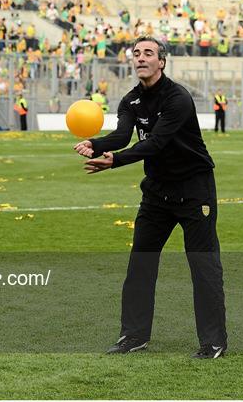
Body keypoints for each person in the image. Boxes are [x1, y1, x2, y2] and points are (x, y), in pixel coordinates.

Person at [73, 36, 227, 359]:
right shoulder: (130, 101)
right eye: (136, 53)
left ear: (162, 62)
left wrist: (114, 161)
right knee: (140, 264)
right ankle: (134, 335)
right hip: (157, 193)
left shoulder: (178, 99)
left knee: (203, 266)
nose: (141, 58)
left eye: (148, 53)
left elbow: (155, 143)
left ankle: (213, 342)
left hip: (194, 190)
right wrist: (96, 144)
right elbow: (121, 136)